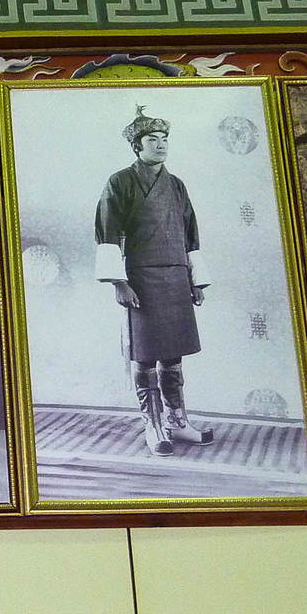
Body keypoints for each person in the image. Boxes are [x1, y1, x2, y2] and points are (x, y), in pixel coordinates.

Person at [94, 105, 214, 457]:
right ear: (137, 145)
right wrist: (119, 282)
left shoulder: (176, 186)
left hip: (176, 276)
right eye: (152, 139)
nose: (160, 145)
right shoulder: (119, 182)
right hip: (141, 279)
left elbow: (189, 233)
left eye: (164, 139)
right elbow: (107, 233)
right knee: (144, 356)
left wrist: (195, 280)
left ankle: (178, 418)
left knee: (173, 352)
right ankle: (153, 422)